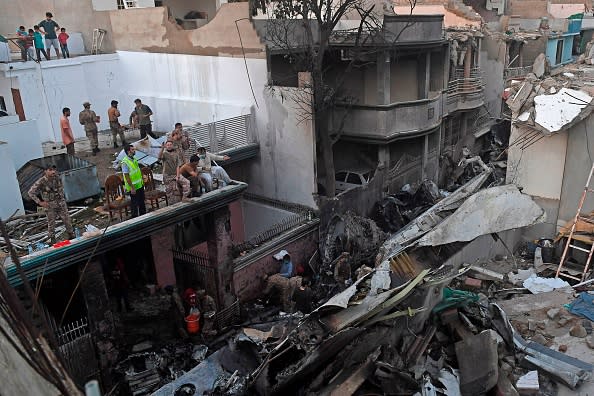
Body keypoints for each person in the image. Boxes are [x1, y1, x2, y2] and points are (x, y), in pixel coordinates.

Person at [28, 164, 74, 243]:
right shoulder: (41, 181)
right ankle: (52, 240)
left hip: (61, 203)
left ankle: (71, 236)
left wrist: (63, 198)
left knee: (67, 220)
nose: (53, 171)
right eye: (50, 170)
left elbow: (61, 188)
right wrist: (39, 202)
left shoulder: (57, 178)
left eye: (54, 170)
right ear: (45, 171)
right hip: (50, 206)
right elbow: (30, 192)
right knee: (51, 224)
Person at [121, 144, 146, 217]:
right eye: (132, 150)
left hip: (139, 185)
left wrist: (142, 179)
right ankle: (135, 219)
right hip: (133, 187)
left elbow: (137, 170)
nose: (134, 151)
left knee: (142, 203)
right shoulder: (125, 162)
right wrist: (132, 187)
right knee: (134, 205)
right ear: (128, 151)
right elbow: (126, 176)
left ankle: (144, 217)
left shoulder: (134, 159)